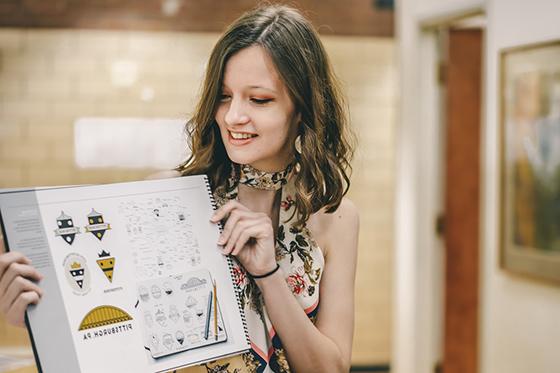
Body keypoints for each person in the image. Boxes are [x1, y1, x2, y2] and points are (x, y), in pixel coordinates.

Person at [0, 5, 359, 373]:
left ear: (302, 109)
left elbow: (330, 369)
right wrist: (36, 317)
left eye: (259, 99)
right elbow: (115, 331)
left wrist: (268, 276)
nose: (233, 116)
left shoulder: (335, 215)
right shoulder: (165, 197)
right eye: (224, 95)